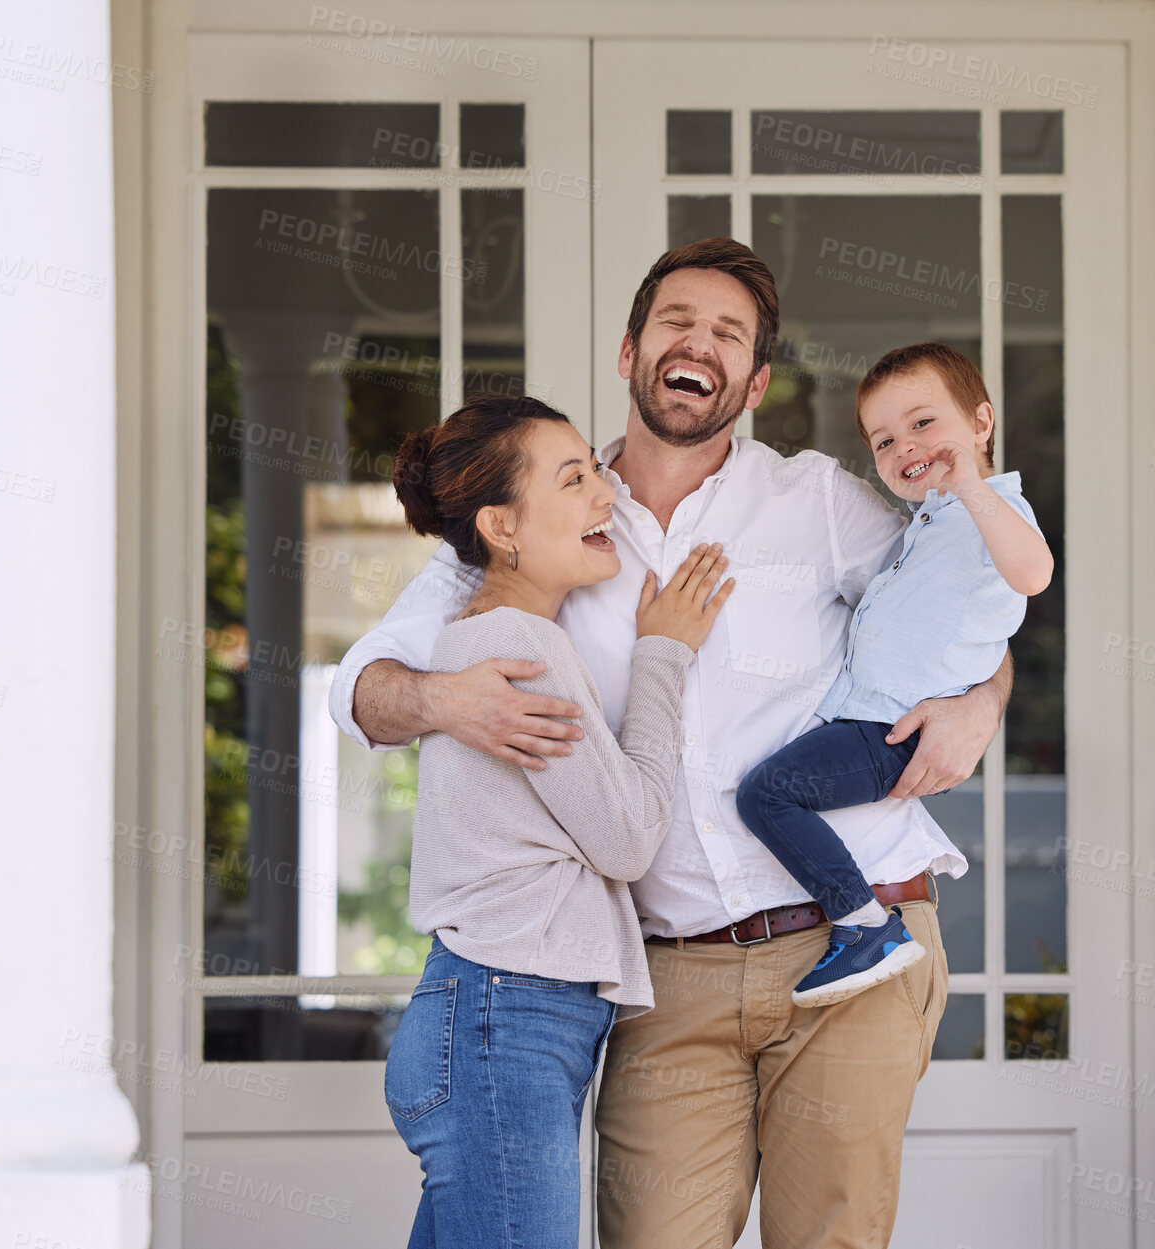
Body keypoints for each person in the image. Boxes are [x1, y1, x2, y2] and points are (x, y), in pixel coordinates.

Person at [330, 238, 1013, 1249]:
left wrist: (983, 701)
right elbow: (365, 688)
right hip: (668, 970)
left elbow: (967, 602)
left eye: (729, 334)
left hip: (854, 941)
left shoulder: (817, 500)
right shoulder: (540, 513)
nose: (700, 342)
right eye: (678, 322)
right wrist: (444, 702)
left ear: (757, 380)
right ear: (630, 351)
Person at [377, 392, 733, 1249]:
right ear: (502, 527)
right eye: (573, 479)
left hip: (495, 1017)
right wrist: (663, 653)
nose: (604, 494)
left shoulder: (501, 638)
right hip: (505, 1020)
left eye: (596, 470)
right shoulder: (517, 647)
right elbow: (627, 835)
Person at [736, 343, 1052, 1008]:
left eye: (921, 422)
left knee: (766, 795)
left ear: (980, 422)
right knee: (772, 789)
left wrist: (967, 482)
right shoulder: (926, 526)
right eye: (882, 440)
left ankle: (862, 925)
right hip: (872, 717)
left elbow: (1031, 574)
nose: (903, 446)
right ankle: (860, 924)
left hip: (892, 726)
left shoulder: (990, 510)